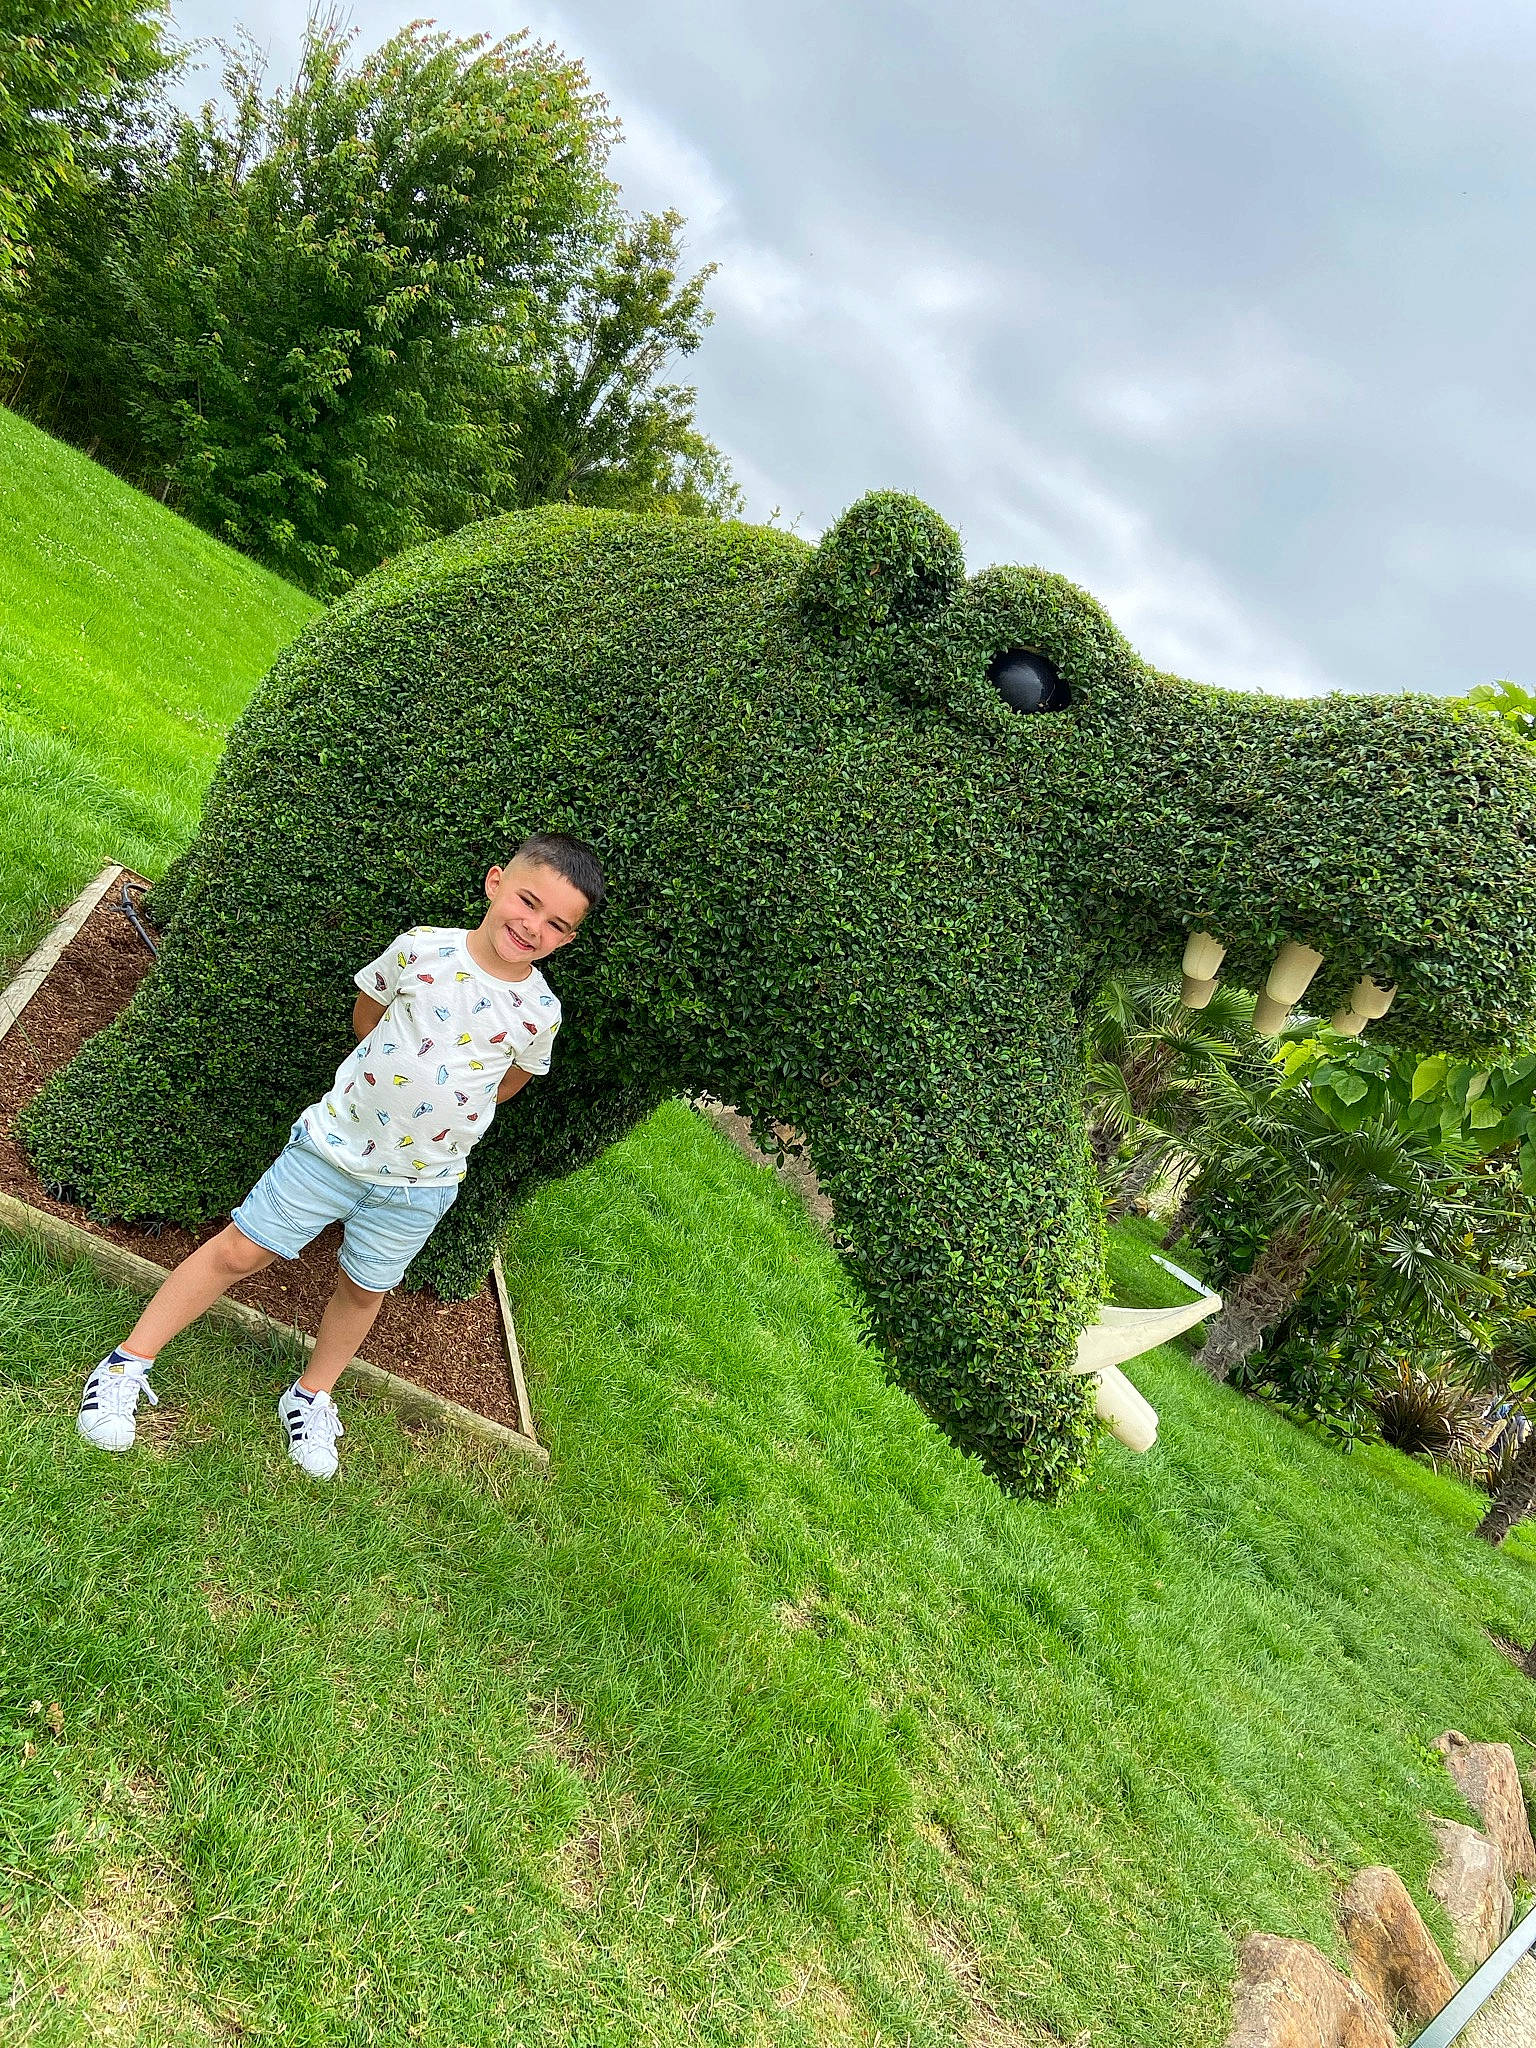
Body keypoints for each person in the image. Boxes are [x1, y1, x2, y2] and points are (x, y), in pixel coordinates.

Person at [75, 834, 604, 1479]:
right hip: (331, 1150)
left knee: (364, 1291)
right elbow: (367, 1015)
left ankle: (310, 1394)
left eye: (557, 925)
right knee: (239, 1251)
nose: (534, 927)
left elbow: (508, 1084)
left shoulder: (541, 1011)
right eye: (528, 901)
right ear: (495, 884)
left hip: (421, 1184)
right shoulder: (422, 949)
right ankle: (127, 1364)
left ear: (567, 940)